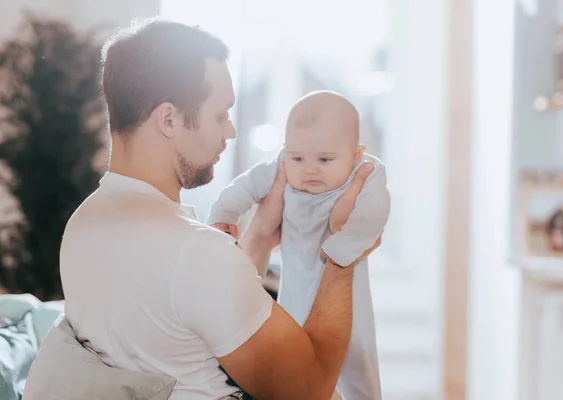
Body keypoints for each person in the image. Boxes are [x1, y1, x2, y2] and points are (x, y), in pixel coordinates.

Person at [56, 18, 380, 400]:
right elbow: (310, 388)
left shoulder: (82, 224)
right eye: (221, 115)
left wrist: (259, 236)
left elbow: (191, 322)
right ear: (169, 119)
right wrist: (343, 247)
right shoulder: (193, 252)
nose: (231, 131)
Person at [207, 91, 390, 400]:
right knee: (295, 354)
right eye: (298, 158)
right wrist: (225, 214)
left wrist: (345, 243)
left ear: (356, 155)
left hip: (346, 292)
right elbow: (246, 186)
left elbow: (375, 214)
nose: (310, 169)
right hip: (293, 287)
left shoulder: (367, 173)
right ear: (286, 151)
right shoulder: (283, 166)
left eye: (325, 159)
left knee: (355, 357)